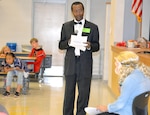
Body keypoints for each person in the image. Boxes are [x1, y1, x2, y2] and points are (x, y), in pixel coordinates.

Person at [59, 1, 100, 115]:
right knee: (68, 93)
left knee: (84, 93)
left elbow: (97, 46)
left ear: (83, 10)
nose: (78, 13)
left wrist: (90, 45)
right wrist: (68, 42)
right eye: (76, 11)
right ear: (72, 12)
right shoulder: (66, 26)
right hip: (70, 64)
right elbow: (61, 45)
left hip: (85, 65)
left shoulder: (93, 27)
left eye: (80, 10)